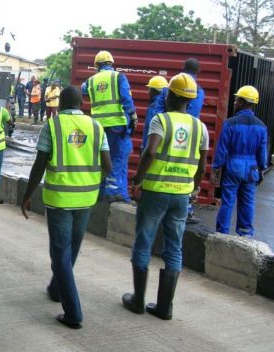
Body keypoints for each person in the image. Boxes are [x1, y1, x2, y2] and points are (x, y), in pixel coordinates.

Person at [21, 86, 112, 329]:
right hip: (86, 199)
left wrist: (27, 196)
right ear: (82, 103)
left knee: (60, 254)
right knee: (70, 251)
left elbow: (39, 164)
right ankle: (56, 288)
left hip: (60, 199)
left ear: (59, 104)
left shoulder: (52, 125)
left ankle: (73, 313)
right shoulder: (96, 127)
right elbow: (108, 165)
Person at [122, 73, 208, 320]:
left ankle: (138, 301)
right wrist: (194, 188)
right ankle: (164, 307)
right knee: (174, 247)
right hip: (181, 196)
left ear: (169, 95)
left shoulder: (161, 120)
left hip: (156, 191)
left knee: (144, 242)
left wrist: (137, 179)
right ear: (190, 101)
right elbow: (202, 167)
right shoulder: (200, 127)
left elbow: (150, 152)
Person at [153, 58, 205, 224]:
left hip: (166, 131)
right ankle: (187, 209)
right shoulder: (199, 91)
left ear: (182, 68)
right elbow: (194, 113)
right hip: (189, 135)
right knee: (186, 171)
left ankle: (159, 208)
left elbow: (157, 111)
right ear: (198, 73)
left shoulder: (170, 86)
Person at [82, 50, 137, 202]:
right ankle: (113, 192)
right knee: (117, 157)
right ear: (111, 64)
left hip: (98, 127)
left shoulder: (90, 81)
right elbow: (126, 98)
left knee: (100, 159)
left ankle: (100, 191)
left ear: (97, 65)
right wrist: (133, 116)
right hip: (116, 125)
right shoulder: (118, 77)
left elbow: (82, 90)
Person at [212, 86, 267, 237]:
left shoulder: (230, 123)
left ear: (242, 102)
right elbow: (262, 153)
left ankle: (222, 233)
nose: (235, 102)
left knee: (228, 201)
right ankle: (245, 233)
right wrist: (261, 169)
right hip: (251, 168)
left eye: (237, 100)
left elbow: (222, 150)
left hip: (233, 166)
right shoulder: (261, 126)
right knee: (248, 202)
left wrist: (216, 168)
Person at [141, 75, 168, 152]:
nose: (148, 92)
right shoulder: (165, 104)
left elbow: (150, 128)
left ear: (154, 90)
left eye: (150, 89)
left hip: (150, 148)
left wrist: (145, 148)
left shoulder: (154, 106)